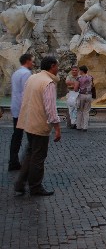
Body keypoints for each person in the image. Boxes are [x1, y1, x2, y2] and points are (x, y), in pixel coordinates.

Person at [14, 56, 62, 196]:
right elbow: (51, 109)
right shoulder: (48, 83)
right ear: (52, 66)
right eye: (57, 66)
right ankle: (35, 187)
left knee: (30, 154)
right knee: (38, 156)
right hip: (39, 124)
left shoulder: (32, 78)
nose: (58, 69)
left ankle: (20, 183)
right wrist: (57, 128)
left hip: (28, 122)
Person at [8, 54, 34, 171]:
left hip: (15, 107)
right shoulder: (26, 74)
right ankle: (28, 162)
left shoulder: (16, 73)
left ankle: (13, 161)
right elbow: (26, 92)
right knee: (32, 137)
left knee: (16, 136)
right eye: (32, 61)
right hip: (23, 109)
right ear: (27, 61)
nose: (33, 63)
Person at [74, 66, 93, 131]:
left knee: (79, 111)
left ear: (81, 71)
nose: (79, 71)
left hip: (82, 95)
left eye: (79, 70)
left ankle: (78, 126)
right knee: (86, 111)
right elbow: (92, 85)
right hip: (89, 95)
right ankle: (85, 127)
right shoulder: (90, 77)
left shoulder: (79, 78)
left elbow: (75, 88)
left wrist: (77, 89)